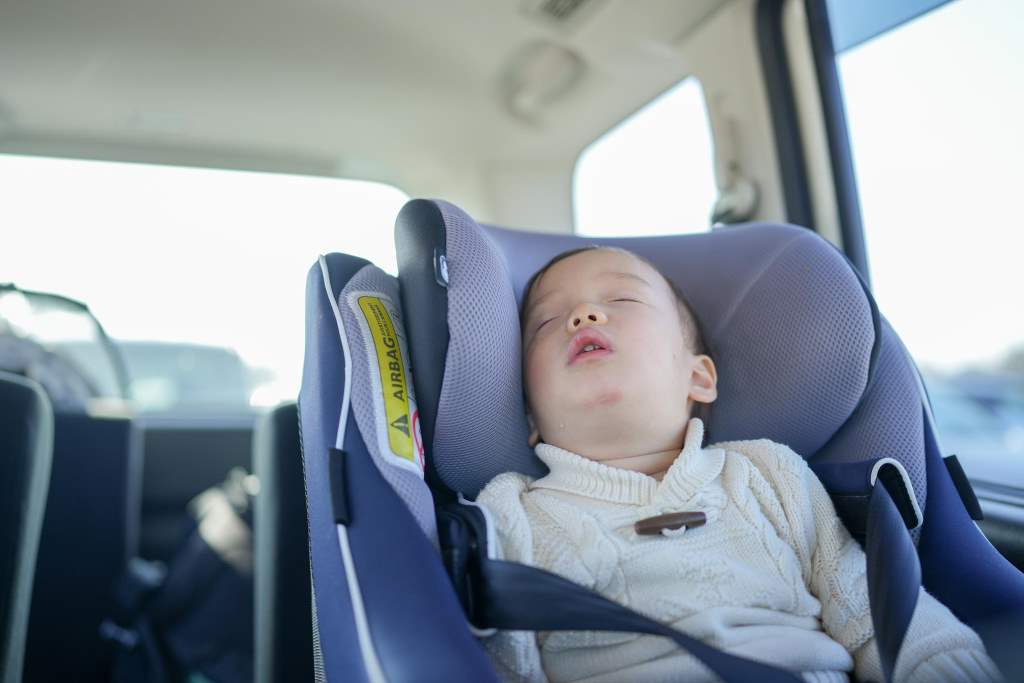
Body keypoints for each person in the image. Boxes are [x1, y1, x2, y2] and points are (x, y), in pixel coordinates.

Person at [475, 246, 1000, 683]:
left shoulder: (767, 474)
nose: (583, 315)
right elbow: (499, 666)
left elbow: (876, 615)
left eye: (622, 298)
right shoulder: (511, 514)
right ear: (530, 413)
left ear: (698, 378)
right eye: (547, 320)